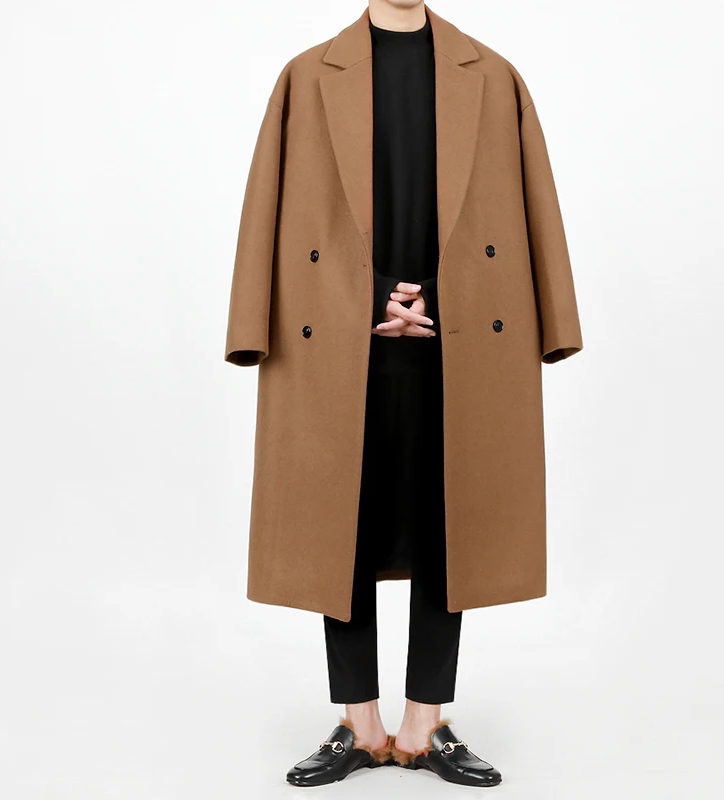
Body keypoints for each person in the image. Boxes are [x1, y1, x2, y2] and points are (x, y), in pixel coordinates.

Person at [224, 0, 583, 789]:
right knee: (338, 526)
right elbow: (270, 214)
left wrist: (466, 301)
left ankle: (425, 724)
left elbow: (531, 209)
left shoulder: (493, 76)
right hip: (332, 337)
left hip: (465, 338)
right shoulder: (305, 77)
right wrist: (365, 297)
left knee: (450, 525)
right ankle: (360, 722)